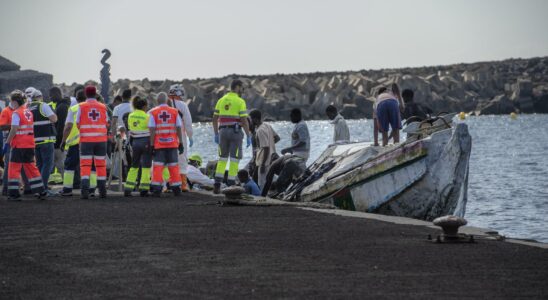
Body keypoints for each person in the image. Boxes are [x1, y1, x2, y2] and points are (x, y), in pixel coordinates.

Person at [64, 85, 108, 199]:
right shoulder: (103, 107)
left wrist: (85, 131)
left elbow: (77, 122)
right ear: (95, 94)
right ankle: (102, 191)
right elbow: (106, 122)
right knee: (100, 166)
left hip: (86, 141)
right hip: (101, 141)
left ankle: (85, 192)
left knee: (85, 166)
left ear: (86, 94)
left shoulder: (81, 106)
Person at [212, 79, 252, 194]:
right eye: (242, 87)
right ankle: (231, 184)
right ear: (237, 87)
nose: (243, 90)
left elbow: (214, 119)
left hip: (222, 132)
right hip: (235, 132)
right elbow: (244, 121)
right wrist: (248, 136)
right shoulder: (240, 101)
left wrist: (216, 134)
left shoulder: (221, 100)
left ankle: (217, 184)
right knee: (234, 159)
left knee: (222, 158)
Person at [5, 90, 47, 200]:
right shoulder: (28, 112)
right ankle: (40, 190)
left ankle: (14, 193)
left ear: (15, 102)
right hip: (29, 144)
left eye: (11, 101)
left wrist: (7, 142)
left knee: (14, 168)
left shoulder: (16, 113)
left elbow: (14, 129)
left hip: (18, 145)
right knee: (31, 167)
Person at [148, 92, 185, 196]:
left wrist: (151, 145)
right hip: (172, 144)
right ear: (166, 100)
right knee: (173, 167)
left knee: (158, 167)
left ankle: (157, 189)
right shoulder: (174, 111)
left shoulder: (153, 112)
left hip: (159, 145)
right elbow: (178, 127)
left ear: (157, 101)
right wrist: (181, 143)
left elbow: (152, 129)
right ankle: (176, 188)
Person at [0, 92, 31, 196]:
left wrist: (17, 124)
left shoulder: (22, 111)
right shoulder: (6, 111)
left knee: (24, 165)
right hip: (10, 141)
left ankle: (27, 188)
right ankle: (6, 189)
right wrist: (15, 124)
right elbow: (2, 126)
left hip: (21, 141)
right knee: (9, 165)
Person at [28, 88, 57, 193]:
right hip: (46, 141)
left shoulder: (27, 107)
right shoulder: (43, 105)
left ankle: (37, 187)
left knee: (39, 165)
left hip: (34, 141)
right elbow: (54, 119)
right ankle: (42, 187)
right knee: (47, 164)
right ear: (40, 97)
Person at [59, 90, 86, 196]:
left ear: (76, 98)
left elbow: (68, 127)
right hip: (89, 141)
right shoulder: (93, 108)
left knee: (69, 166)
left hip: (75, 143)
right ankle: (89, 188)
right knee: (87, 166)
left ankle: (67, 189)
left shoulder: (74, 109)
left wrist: (63, 141)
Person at [168, 84, 194, 192]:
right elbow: (188, 122)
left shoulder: (163, 105)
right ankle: (183, 184)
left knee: (168, 159)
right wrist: (190, 135)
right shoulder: (182, 105)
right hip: (180, 135)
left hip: (166, 135)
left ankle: (168, 184)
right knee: (182, 158)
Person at [124, 97, 152, 197]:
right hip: (146, 142)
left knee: (134, 166)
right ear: (144, 106)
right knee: (146, 166)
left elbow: (130, 129)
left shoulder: (130, 115)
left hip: (135, 142)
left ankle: (128, 187)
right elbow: (151, 130)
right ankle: (143, 189)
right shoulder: (147, 116)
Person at [249, 109, 279, 189]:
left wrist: (262, 164)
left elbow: (265, 148)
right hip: (271, 157)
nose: (250, 121)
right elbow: (277, 138)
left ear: (255, 119)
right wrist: (269, 144)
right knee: (269, 180)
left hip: (264, 161)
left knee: (262, 184)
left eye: (251, 119)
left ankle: (262, 199)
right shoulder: (267, 125)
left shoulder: (260, 130)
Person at [50, 87, 70, 183]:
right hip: (61, 140)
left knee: (60, 163)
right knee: (59, 163)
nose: (50, 98)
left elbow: (61, 126)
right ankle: (66, 182)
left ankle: (67, 183)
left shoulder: (62, 107)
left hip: (60, 141)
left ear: (57, 94)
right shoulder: (61, 106)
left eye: (51, 95)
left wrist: (59, 141)